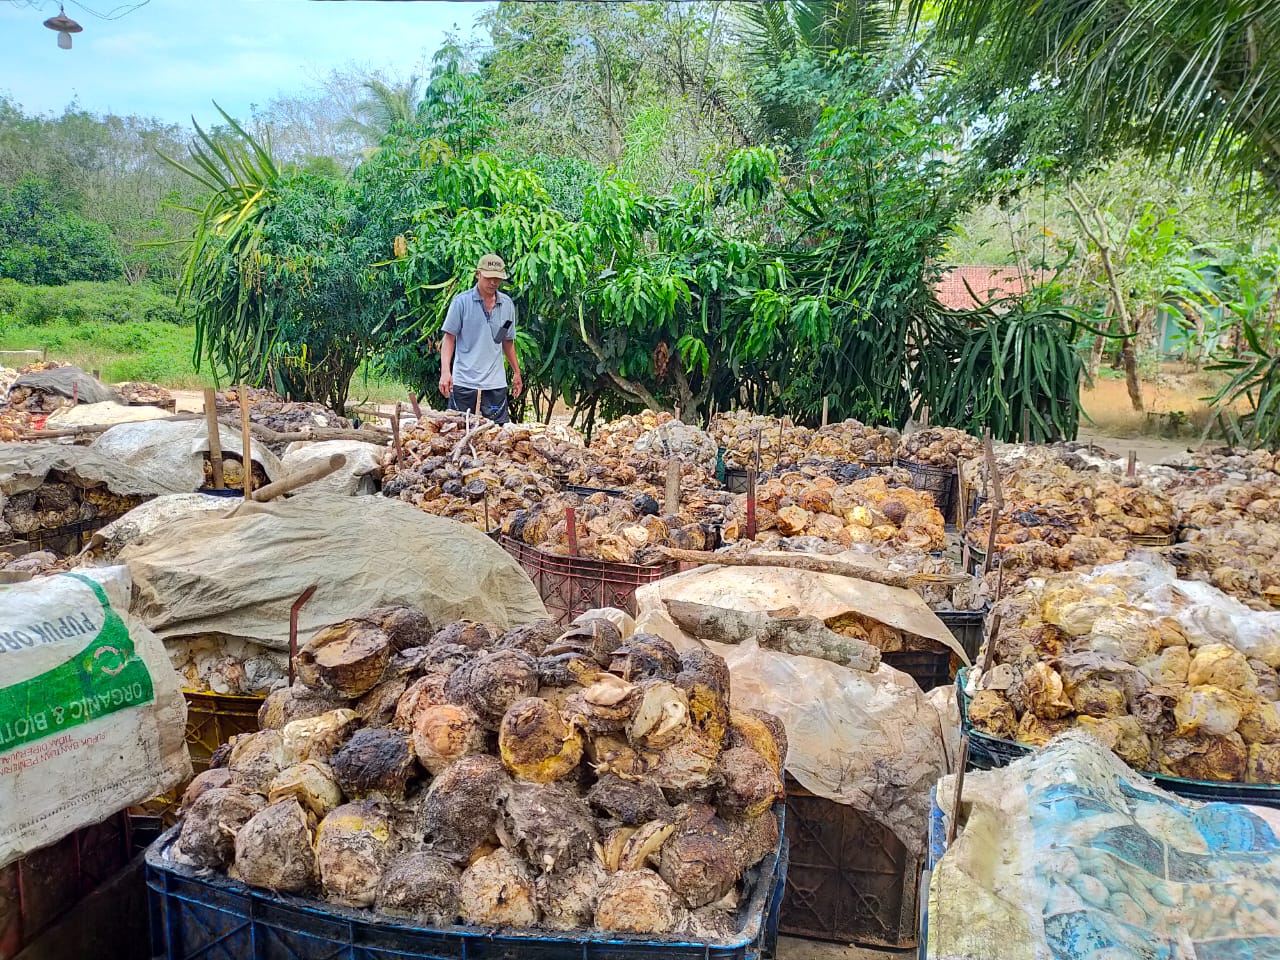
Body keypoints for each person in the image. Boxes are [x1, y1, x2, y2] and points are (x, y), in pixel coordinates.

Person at [438, 253, 522, 424]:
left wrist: (516, 372)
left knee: (495, 439)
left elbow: (505, 340)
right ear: (478, 274)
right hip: (464, 383)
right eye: (489, 277)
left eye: (497, 278)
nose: (493, 282)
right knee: (458, 433)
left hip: (495, 385)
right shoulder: (461, 302)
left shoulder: (506, 305)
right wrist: (445, 372)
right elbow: (449, 339)